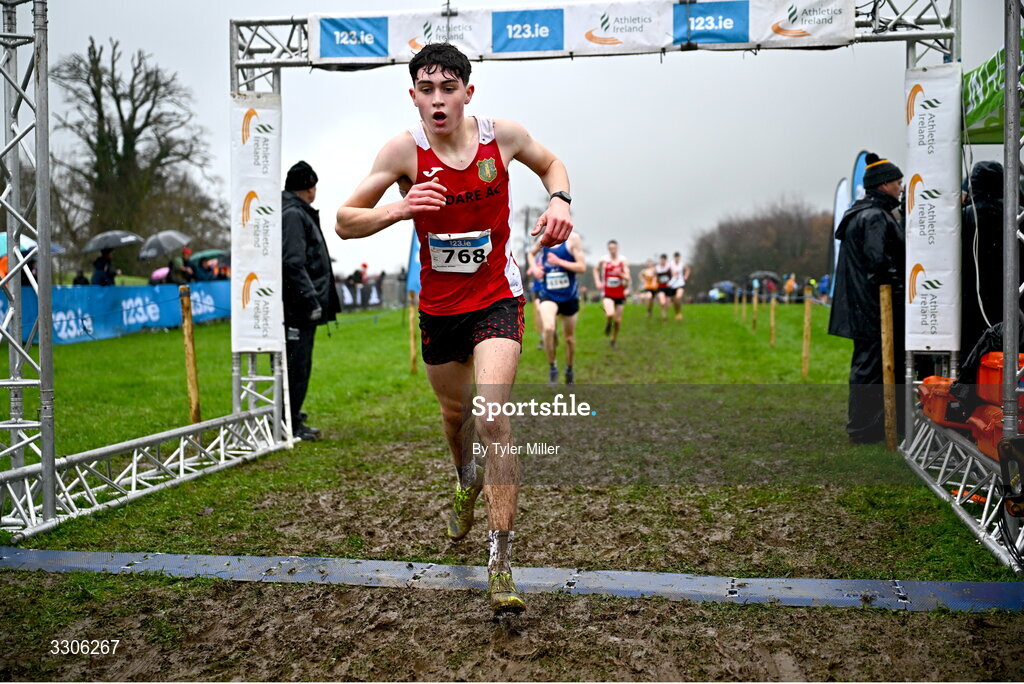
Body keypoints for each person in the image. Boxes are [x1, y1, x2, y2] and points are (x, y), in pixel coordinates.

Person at [334, 43, 573, 613]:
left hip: (497, 296)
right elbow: (344, 221)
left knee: (493, 417)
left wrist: (561, 199)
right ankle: (464, 479)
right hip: (440, 309)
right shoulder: (403, 151)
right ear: (413, 95)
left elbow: (551, 164)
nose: (438, 101)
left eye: (449, 89)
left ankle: (501, 564)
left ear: (469, 91)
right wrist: (398, 208)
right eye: (427, 90)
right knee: (455, 417)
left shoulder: (503, 137)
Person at [828, 153, 906, 444]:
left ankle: (872, 425)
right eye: (897, 182)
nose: (900, 187)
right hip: (874, 308)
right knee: (870, 369)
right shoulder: (873, 216)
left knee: (868, 368)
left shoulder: (866, 212)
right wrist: (900, 294)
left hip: (864, 306)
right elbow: (880, 264)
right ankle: (864, 428)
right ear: (884, 185)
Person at [283, 160, 341, 442]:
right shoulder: (295, 214)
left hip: (298, 306)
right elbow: (293, 263)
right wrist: (311, 300)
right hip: (298, 309)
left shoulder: (293, 211)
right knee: (297, 366)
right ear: (309, 187)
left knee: (297, 365)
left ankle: (291, 415)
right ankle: (289, 423)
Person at [960, 161, 1016, 354]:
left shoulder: (963, 217)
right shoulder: (1017, 215)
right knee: (1009, 354)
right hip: (1010, 295)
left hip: (970, 298)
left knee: (974, 357)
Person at [529, 231, 585, 385]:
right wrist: (534, 268)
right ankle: (553, 367)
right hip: (548, 294)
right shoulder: (543, 240)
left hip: (569, 297)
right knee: (548, 329)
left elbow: (582, 267)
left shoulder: (573, 239)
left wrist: (559, 261)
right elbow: (531, 254)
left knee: (569, 339)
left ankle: (569, 369)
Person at [595, 240, 629, 348]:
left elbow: (628, 277)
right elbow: (596, 270)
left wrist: (621, 275)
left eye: (614, 248)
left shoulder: (623, 261)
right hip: (607, 293)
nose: (613, 250)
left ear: (617, 248)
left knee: (618, 321)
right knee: (610, 314)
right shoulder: (604, 260)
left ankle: (613, 339)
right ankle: (609, 323)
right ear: (608, 249)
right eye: (611, 248)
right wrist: (598, 282)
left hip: (620, 293)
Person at [668, 251, 691, 320]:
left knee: (678, 297)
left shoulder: (682, 264)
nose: (677, 258)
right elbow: (667, 271)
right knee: (674, 300)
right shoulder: (670, 264)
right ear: (674, 257)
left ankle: (679, 313)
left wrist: (686, 276)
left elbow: (688, 270)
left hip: (680, 283)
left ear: (679, 257)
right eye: (676, 257)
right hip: (672, 284)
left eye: (678, 257)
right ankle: (677, 313)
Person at [654, 253, 672, 321]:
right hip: (660, 287)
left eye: (664, 259)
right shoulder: (657, 268)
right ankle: (664, 317)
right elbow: (654, 276)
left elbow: (673, 276)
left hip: (668, 287)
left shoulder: (669, 267)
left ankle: (665, 315)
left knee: (667, 304)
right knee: (662, 302)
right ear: (660, 260)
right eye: (662, 259)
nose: (663, 260)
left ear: (666, 260)